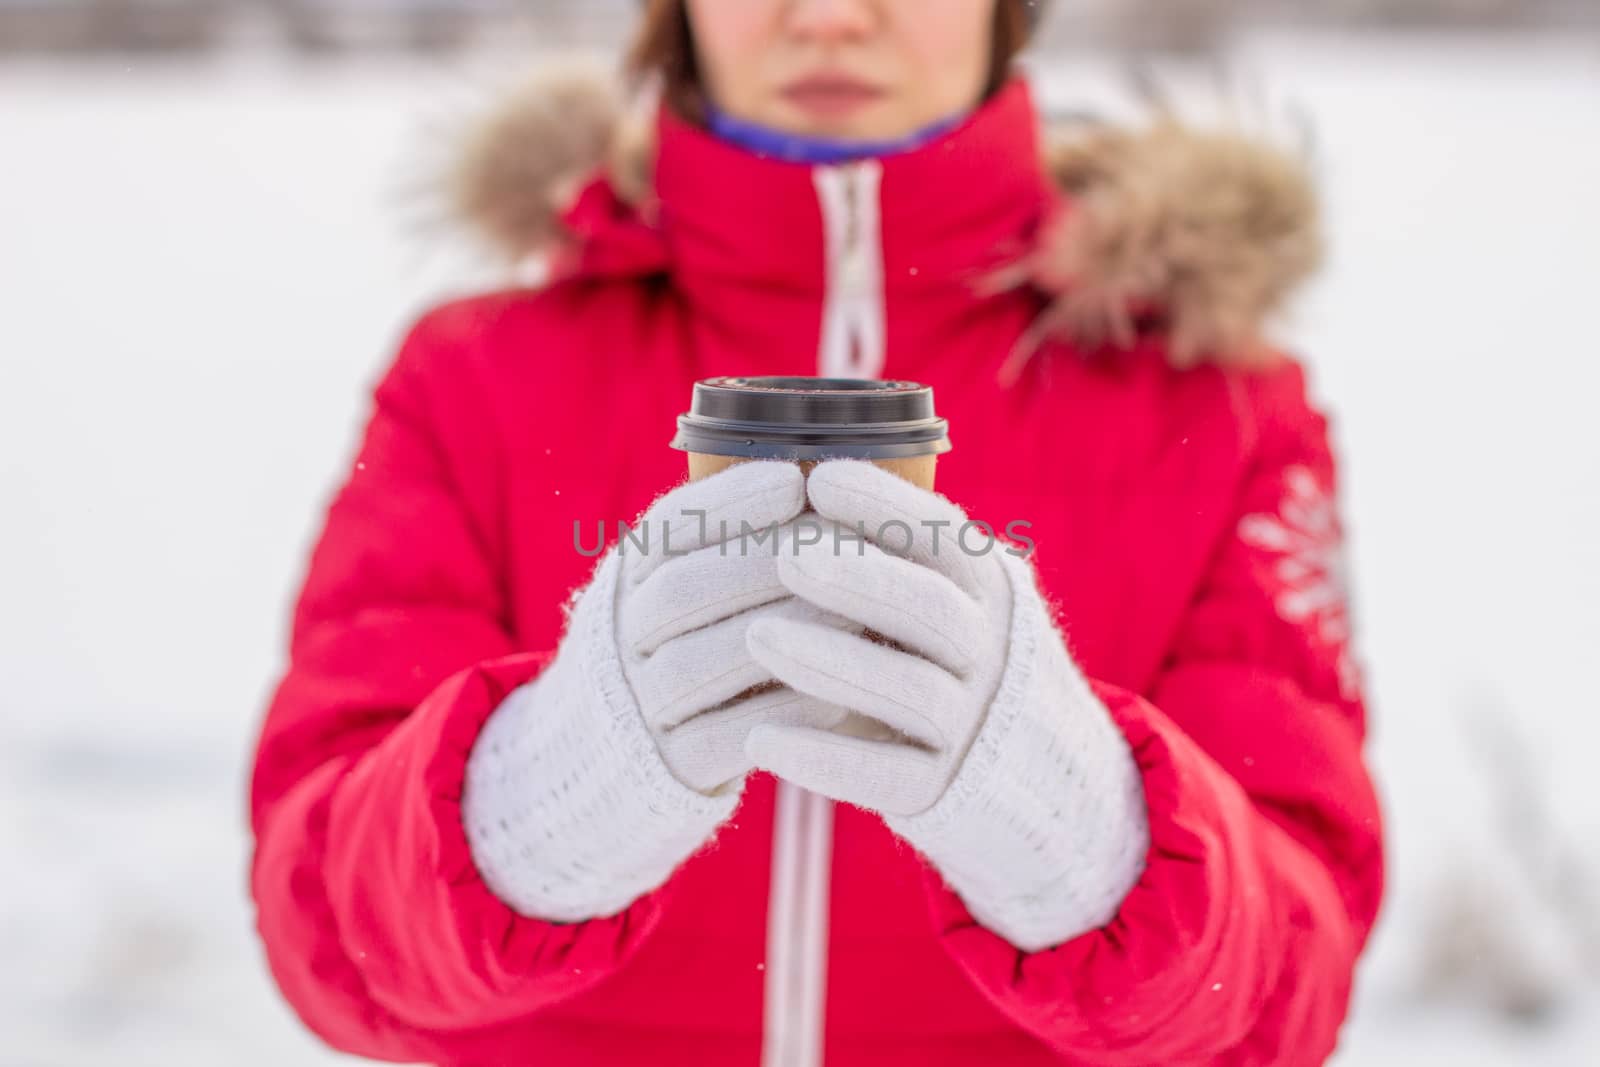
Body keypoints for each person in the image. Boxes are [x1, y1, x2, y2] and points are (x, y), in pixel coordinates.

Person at [246, 1, 1385, 1064]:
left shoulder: (1217, 403)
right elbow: (323, 937)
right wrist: (534, 806)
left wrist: (1084, 834)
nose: (832, 14)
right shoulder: (473, 377)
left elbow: (1295, 981)